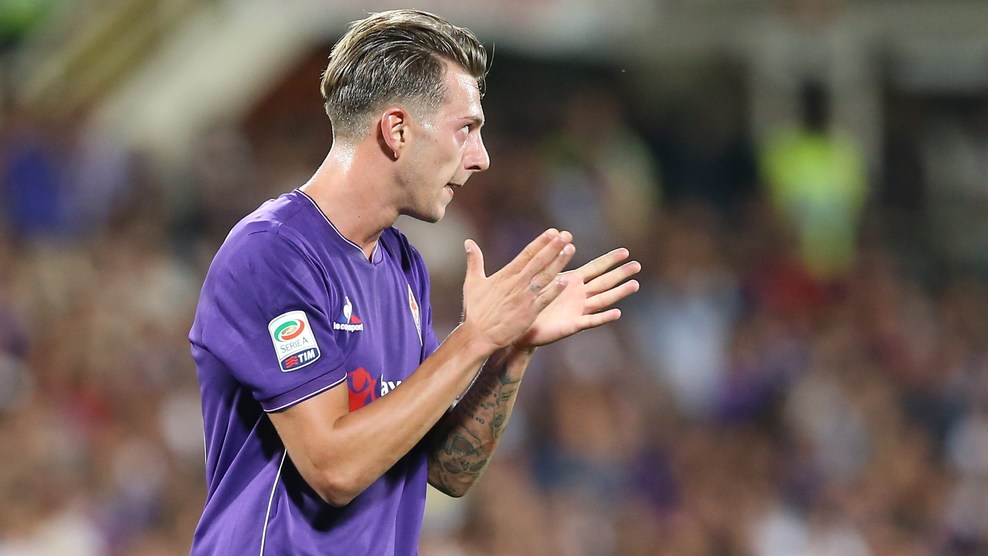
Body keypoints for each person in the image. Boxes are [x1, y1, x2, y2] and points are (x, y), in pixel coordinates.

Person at [188, 9, 641, 555]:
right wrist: (473, 339)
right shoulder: (274, 253)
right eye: (466, 129)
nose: (481, 158)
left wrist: (510, 346)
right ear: (397, 130)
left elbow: (448, 470)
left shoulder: (401, 265)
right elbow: (333, 469)